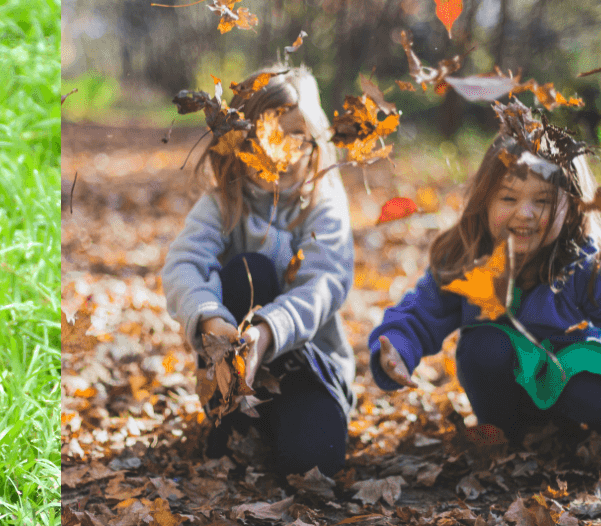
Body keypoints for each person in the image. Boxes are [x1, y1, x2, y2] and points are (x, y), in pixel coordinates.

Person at [370, 101, 601, 445]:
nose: (524, 213)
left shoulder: (585, 268)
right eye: (508, 198)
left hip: (570, 389)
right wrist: (396, 349)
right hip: (504, 399)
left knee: (585, 379)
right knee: (484, 344)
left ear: (570, 208)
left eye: (542, 202)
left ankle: (574, 438)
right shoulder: (468, 258)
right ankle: (505, 436)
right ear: (485, 200)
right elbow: (419, 314)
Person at [162, 66, 355, 476]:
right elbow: (183, 263)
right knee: (250, 269)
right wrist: (211, 320)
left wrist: (265, 334)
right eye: (264, 137)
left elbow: (324, 283)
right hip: (231, 366)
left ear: (314, 141)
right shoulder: (223, 204)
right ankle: (231, 418)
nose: (279, 152)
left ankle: (290, 424)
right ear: (237, 142)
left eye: (294, 137)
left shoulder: (322, 204)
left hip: (308, 368)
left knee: (314, 463)